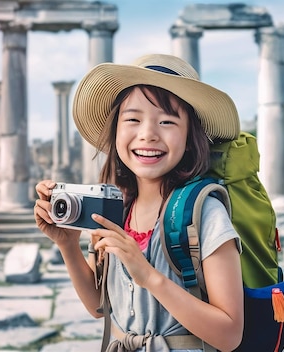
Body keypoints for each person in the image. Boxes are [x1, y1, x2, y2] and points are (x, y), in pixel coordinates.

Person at [34, 54, 244, 352]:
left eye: (167, 121)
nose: (148, 134)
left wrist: (149, 277)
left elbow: (229, 335)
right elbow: (99, 307)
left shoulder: (203, 212)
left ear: (190, 136)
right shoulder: (116, 209)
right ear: (115, 129)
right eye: (132, 119)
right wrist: (67, 244)